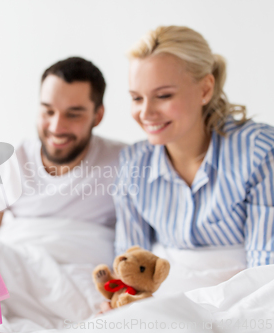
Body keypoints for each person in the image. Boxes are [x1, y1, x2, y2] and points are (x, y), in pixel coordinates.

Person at [0, 56, 126, 261]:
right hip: (22, 263)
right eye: (48, 111)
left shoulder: (125, 162)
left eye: (73, 115)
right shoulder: (9, 163)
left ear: (98, 116)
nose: (56, 127)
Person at [115, 25, 274, 268]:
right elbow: (130, 267)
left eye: (164, 95)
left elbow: (266, 271)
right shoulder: (133, 163)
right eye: (137, 98)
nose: (146, 113)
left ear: (205, 89)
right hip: (167, 299)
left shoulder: (259, 151)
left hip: (245, 300)